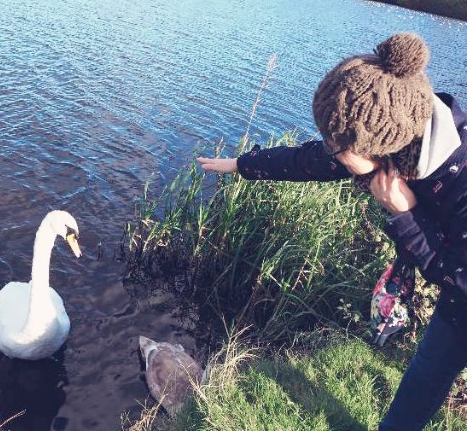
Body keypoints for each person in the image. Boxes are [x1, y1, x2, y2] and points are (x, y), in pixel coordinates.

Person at [196, 32, 467, 431]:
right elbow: (307, 161)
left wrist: (405, 214)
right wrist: (239, 165)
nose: (331, 151)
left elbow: (461, 280)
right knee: (425, 376)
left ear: (377, 148)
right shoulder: (392, 129)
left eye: (338, 146)